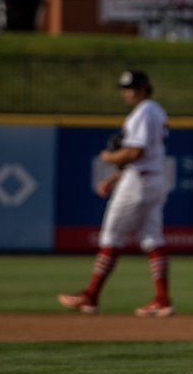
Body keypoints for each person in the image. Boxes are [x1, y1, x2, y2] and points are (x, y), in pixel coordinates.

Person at [58, 70, 174, 318]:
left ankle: (91, 296)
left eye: (130, 88)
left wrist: (109, 158)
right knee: (153, 239)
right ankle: (162, 300)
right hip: (153, 178)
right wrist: (113, 179)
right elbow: (144, 157)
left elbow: (134, 154)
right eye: (124, 88)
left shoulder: (143, 113)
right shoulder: (157, 111)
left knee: (111, 238)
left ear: (144, 88)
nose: (126, 93)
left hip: (138, 182)